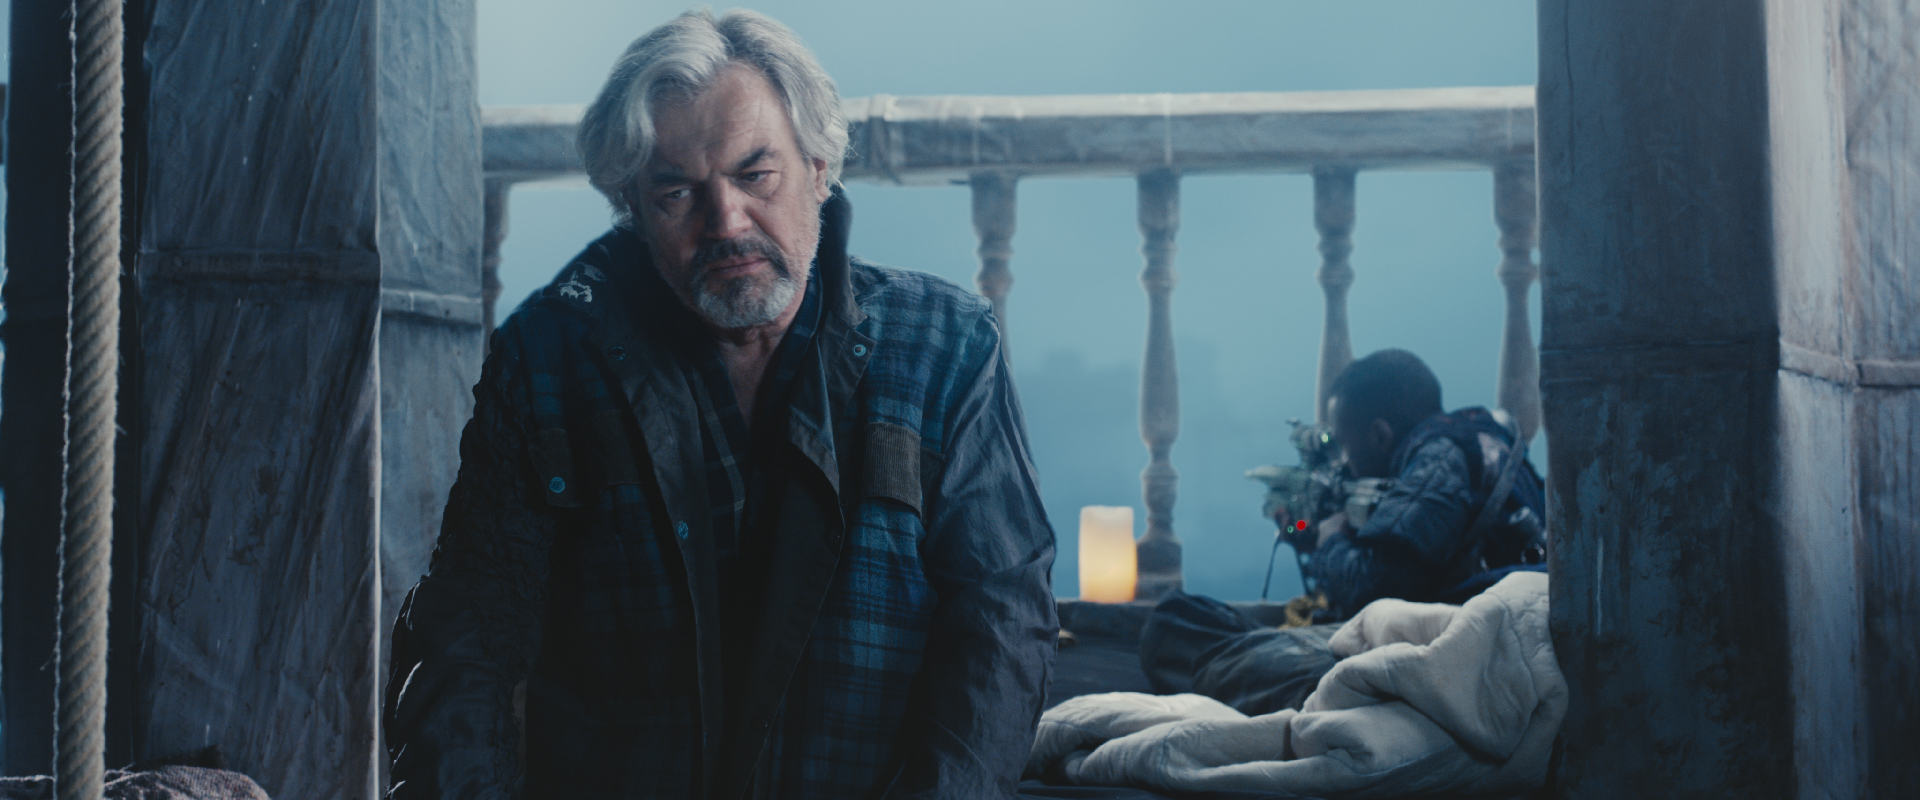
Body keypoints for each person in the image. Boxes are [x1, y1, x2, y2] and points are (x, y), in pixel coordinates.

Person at [383, 10, 1057, 799]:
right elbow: (467, 640)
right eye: (676, 192)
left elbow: (1000, 623)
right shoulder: (547, 355)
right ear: (633, 207)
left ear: (818, 168)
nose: (726, 221)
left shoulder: (947, 346)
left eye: (755, 174)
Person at [1140, 348, 1543, 715]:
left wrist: (1330, 540)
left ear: (1380, 435)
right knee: (1192, 621)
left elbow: (1373, 588)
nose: (1344, 463)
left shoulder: (1439, 461)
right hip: (1466, 648)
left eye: (1345, 445)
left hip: (1448, 664)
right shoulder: (1482, 442)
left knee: (1176, 627)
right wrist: (1314, 538)